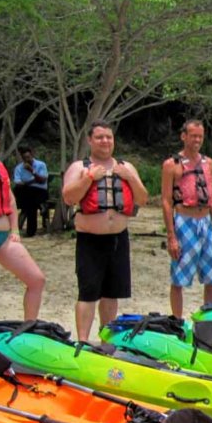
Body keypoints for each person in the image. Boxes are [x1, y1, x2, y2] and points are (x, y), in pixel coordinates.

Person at [61, 120, 148, 341]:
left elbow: (143, 199)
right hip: (90, 240)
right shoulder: (79, 168)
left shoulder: (125, 167)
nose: (105, 141)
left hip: (118, 239)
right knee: (88, 294)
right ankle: (82, 341)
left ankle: (106, 340)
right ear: (90, 140)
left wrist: (130, 177)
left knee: (111, 294)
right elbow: (69, 198)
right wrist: (89, 178)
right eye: (99, 137)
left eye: (108, 137)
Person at [0, 119, 46, 336]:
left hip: (4, 233)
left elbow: (11, 200)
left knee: (36, 279)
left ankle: (28, 332)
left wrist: (15, 229)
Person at [161, 119, 212, 318]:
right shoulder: (172, 164)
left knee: (211, 276)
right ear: (184, 136)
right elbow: (166, 201)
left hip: (205, 222)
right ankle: (177, 320)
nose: (197, 140)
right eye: (193, 136)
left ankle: (208, 319)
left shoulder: (208, 163)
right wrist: (171, 236)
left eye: (200, 136)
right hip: (184, 221)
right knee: (179, 277)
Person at [12, 146, 49, 238]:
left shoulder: (41, 165)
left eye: (28, 157)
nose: (27, 160)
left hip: (39, 191)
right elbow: (18, 183)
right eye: (25, 158)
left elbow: (42, 180)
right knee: (28, 199)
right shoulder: (19, 168)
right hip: (26, 193)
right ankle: (40, 205)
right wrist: (33, 181)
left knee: (30, 203)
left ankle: (30, 231)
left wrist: (32, 171)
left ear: (32, 155)